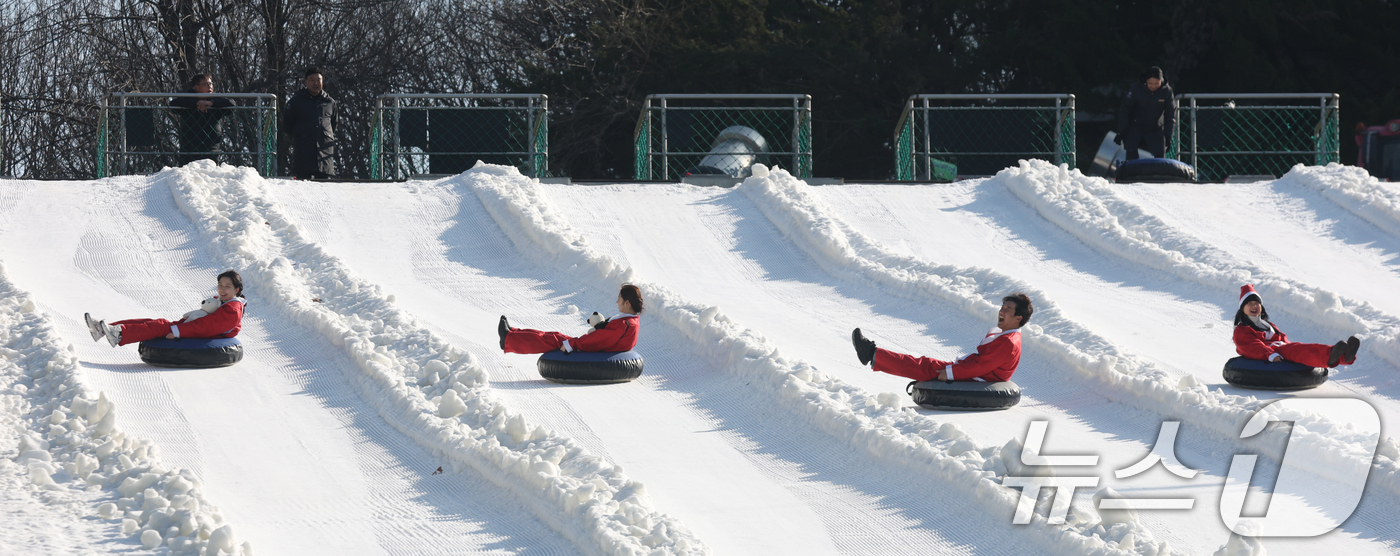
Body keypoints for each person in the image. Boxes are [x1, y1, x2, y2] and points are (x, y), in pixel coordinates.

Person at [851, 293, 1032, 382]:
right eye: (1002, 307)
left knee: (925, 366)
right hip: (978, 374)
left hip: (979, 379)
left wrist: (951, 373)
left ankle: (872, 354)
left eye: (1008, 310)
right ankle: (875, 355)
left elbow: (981, 366)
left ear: (1018, 318)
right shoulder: (1007, 336)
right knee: (926, 364)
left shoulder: (1008, 342)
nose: (1001, 311)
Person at [84, 270, 247, 348]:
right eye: (220, 285)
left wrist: (178, 331)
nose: (222, 289)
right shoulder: (223, 302)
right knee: (154, 322)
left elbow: (207, 326)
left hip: (203, 335)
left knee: (159, 326)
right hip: (191, 328)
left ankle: (119, 334)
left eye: (227, 286)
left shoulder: (232, 309)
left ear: (237, 290)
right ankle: (106, 329)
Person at [1233, 284, 1359, 368]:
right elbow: (1252, 346)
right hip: (1271, 353)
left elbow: (1282, 338)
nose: (1254, 306)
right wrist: (1270, 355)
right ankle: (1331, 355)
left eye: (1257, 303)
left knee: (1302, 348)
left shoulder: (1268, 325)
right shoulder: (1242, 329)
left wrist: (1287, 345)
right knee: (1298, 351)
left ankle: (1344, 356)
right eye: (1249, 303)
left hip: (1280, 349)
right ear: (1242, 308)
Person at [500, 285, 643, 354]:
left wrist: (574, 343)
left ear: (627, 303)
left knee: (552, 340)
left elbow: (599, 339)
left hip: (592, 353)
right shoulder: (629, 321)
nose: (617, 302)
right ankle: (512, 333)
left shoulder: (624, 324)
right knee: (554, 335)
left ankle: (509, 339)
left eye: (619, 299)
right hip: (593, 349)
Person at [283, 67, 338, 179]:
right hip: (303, 156)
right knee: (302, 185)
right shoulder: (296, 101)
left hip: (325, 157)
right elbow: (287, 125)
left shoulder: (330, 102)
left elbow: (333, 124)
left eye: (318, 80)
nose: (316, 83)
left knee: (325, 187)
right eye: (312, 80)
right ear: (306, 81)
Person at [170, 74, 234, 165]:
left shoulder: (216, 99)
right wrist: (197, 103)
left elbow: (231, 104)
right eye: (206, 84)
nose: (210, 86)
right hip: (189, 150)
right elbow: (173, 105)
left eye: (211, 84)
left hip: (211, 150)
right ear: (196, 87)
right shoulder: (187, 98)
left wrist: (211, 103)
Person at [1116, 66, 1177, 160]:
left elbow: (1170, 115)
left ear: (1161, 81)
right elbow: (1125, 109)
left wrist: (1168, 137)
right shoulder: (1137, 88)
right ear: (1146, 81)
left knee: (1160, 154)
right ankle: (1132, 168)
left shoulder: (1166, 91)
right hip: (1135, 124)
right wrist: (1121, 131)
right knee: (1130, 150)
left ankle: (1157, 169)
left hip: (1155, 126)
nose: (1153, 86)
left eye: (1156, 83)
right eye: (1150, 83)